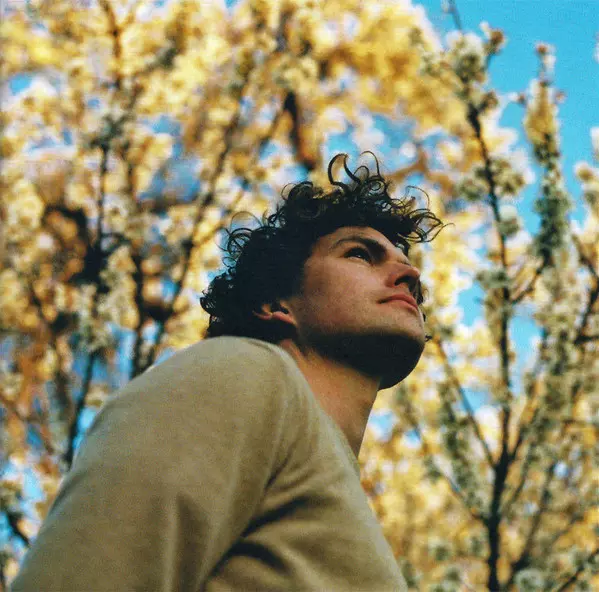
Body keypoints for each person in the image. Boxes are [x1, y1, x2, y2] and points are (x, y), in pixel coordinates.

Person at [11, 152, 443, 591]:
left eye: (408, 268)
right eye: (360, 254)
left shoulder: (340, 500)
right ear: (275, 303)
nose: (409, 274)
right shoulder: (247, 374)